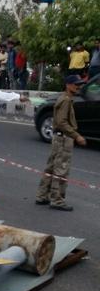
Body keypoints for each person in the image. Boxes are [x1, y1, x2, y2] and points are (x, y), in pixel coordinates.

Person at [35, 75, 87, 211]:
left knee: (51, 167)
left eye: (80, 84)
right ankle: (57, 200)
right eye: (76, 84)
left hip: (59, 138)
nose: (79, 86)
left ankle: (42, 195)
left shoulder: (65, 98)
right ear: (68, 85)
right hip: (64, 138)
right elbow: (61, 122)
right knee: (61, 170)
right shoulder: (65, 100)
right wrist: (77, 136)